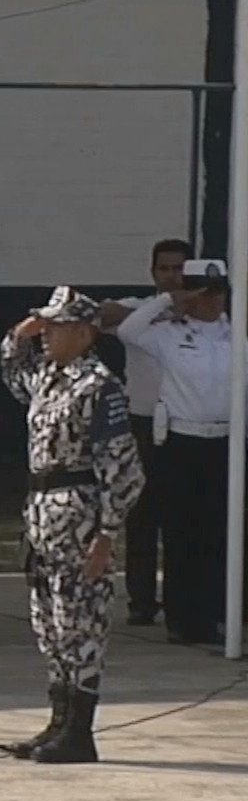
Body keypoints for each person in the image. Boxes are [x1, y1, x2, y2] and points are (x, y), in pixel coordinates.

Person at [0, 286, 145, 765]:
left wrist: (107, 534)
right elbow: (12, 371)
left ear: (84, 333)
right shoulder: (49, 379)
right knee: (49, 620)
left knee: (81, 622)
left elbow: (122, 467)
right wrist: (21, 333)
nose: (47, 334)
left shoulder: (99, 386)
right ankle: (58, 722)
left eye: (56, 326)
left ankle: (80, 733)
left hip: (80, 514)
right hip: (43, 512)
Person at [115, 259, 233, 646]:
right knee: (182, 533)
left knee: (218, 534)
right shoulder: (168, 334)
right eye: (204, 291)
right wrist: (168, 300)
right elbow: (128, 331)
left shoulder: (236, 332)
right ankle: (183, 619)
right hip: (182, 443)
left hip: (226, 441)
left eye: (217, 291)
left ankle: (217, 614)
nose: (211, 300)